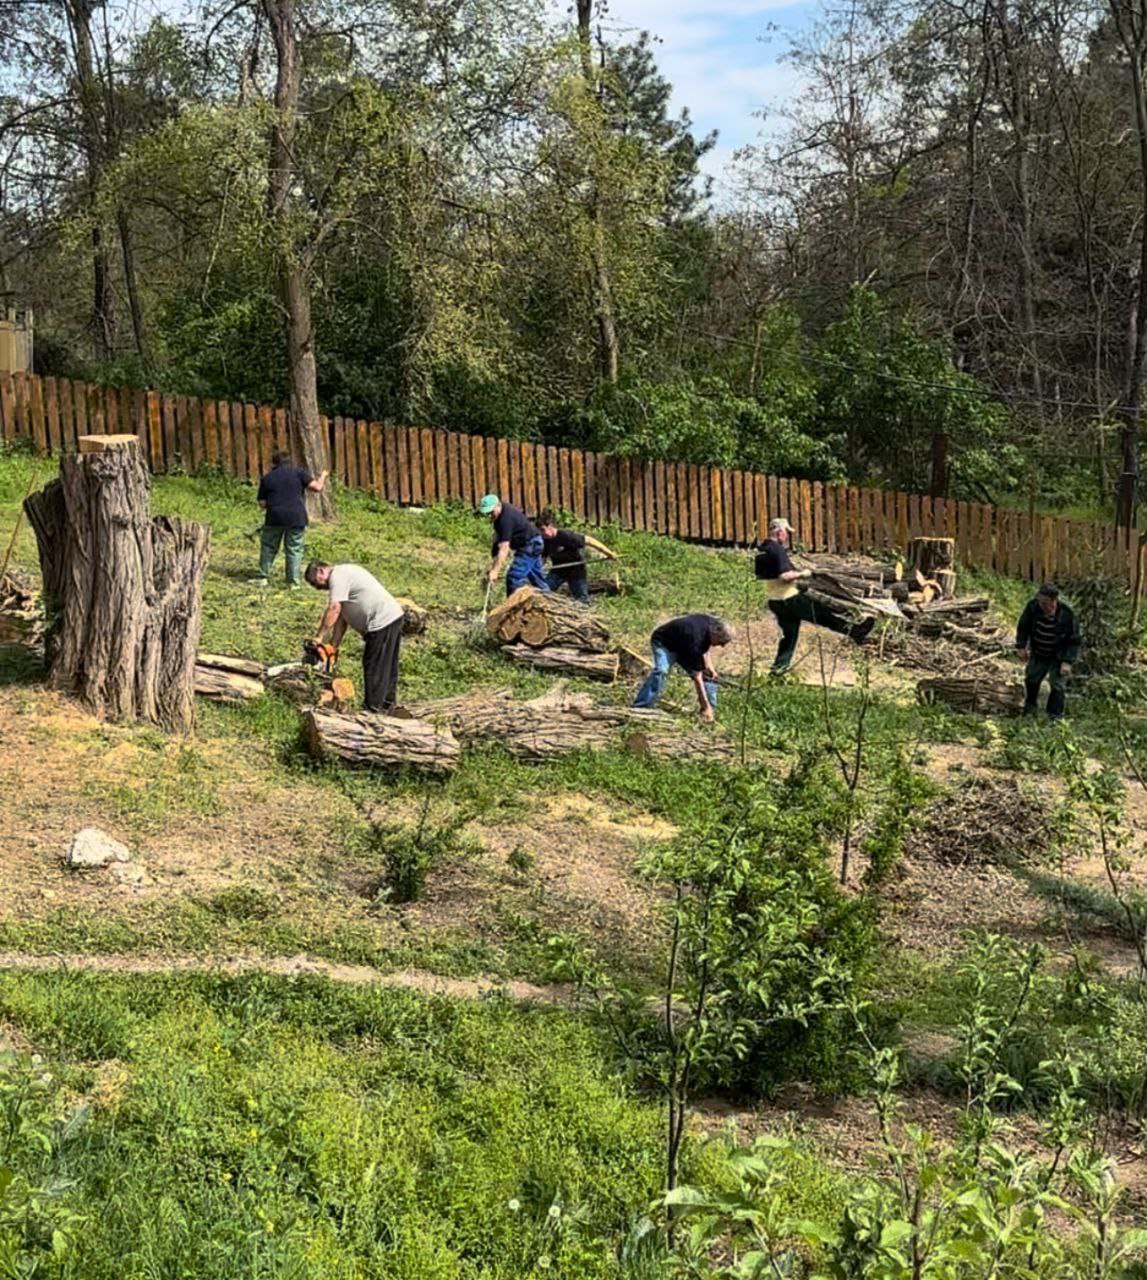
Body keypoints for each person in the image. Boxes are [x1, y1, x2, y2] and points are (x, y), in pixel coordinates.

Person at [756, 516, 874, 676]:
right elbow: (785, 576)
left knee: (789, 637)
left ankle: (778, 670)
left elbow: (764, 575)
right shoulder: (777, 549)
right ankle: (855, 632)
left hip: (775, 601)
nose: (787, 536)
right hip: (789, 599)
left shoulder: (763, 549)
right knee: (824, 615)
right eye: (786, 532)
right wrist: (803, 573)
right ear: (779, 532)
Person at [305, 561, 404, 712]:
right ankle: (388, 705)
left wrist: (319, 637)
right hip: (391, 617)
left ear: (321, 571)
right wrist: (333, 645)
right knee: (387, 665)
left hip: (382, 620)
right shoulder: (343, 578)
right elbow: (341, 620)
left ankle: (373, 711)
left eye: (314, 582)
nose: (317, 587)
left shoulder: (338, 576)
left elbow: (334, 609)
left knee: (374, 666)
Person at [633, 613, 733, 722]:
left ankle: (710, 714)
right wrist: (704, 705)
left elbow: (705, 646)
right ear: (716, 634)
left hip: (685, 646)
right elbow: (697, 679)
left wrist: (710, 666)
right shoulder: (695, 639)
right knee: (661, 671)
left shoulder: (712, 624)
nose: (722, 646)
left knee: (709, 676)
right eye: (722, 642)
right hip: (665, 643)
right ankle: (640, 707)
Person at [253, 452, 328, 586]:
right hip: (296, 517)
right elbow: (317, 487)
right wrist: (322, 476)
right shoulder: (299, 473)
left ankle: (263, 577)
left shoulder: (267, 478)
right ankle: (293, 582)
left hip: (274, 517)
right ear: (289, 462)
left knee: (269, 547)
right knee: (294, 549)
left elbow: (262, 504)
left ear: (273, 464)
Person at [1015, 582, 1081, 719]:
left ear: (1054, 601)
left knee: (1057, 686)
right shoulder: (1032, 607)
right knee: (1031, 679)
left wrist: (1067, 661)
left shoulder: (1067, 614)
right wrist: (1021, 646)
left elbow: (1074, 639)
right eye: (1040, 601)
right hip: (1039, 651)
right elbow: (1023, 627)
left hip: (1058, 655)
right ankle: (1030, 709)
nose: (1042, 605)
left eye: (1045, 603)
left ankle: (1054, 717)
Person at [536, 510, 618, 604]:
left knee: (582, 600)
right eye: (540, 531)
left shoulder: (566, 536)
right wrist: (538, 568)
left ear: (550, 526)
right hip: (558, 571)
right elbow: (543, 558)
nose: (542, 533)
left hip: (576, 571)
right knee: (543, 591)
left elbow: (590, 540)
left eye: (543, 530)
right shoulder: (545, 541)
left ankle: (586, 615)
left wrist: (609, 553)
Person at [479, 494, 551, 594]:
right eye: (487, 513)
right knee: (537, 580)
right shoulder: (499, 516)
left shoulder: (506, 519)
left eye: (491, 512)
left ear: (498, 505)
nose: (489, 515)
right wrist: (493, 563)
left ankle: (513, 608)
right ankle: (548, 601)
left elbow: (504, 548)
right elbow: (497, 539)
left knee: (514, 577)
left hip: (530, 544)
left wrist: (495, 571)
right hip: (532, 542)